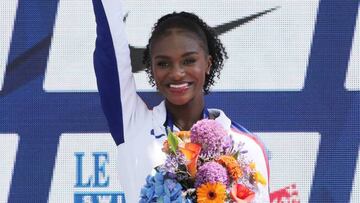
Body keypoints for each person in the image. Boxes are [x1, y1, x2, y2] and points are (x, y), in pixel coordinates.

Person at [92, 0, 270, 202]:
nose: (176, 73)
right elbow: (110, 50)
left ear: (208, 64)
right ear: (152, 68)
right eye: (163, 63)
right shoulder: (133, 127)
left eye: (188, 60)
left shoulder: (245, 147)